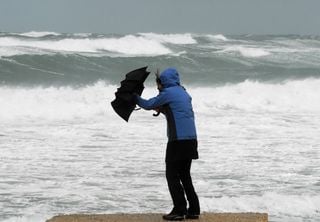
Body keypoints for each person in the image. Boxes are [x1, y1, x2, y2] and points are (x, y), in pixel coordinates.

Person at [136, 68, 200, 221]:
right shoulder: (184, 93)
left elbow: (147, 104)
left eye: (158, 84)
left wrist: (134, 97)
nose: (157, 87)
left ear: (163, 82)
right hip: (191, 139)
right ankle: (193, 210)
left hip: (177, 140)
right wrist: (164, 109)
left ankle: (179, 210)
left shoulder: (167, 93)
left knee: (171, 175)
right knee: (185, 175)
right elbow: (177, 111)